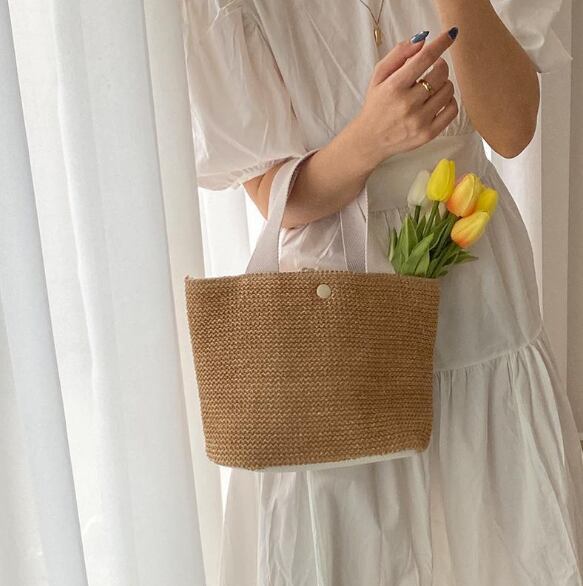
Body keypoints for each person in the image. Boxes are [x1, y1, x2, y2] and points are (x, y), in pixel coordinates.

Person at [182, 1, 583, 584]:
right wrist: (368, 141)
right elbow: (276, 198)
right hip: (334, 315)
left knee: (499, 533)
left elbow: (512, 127)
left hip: (475, 284)